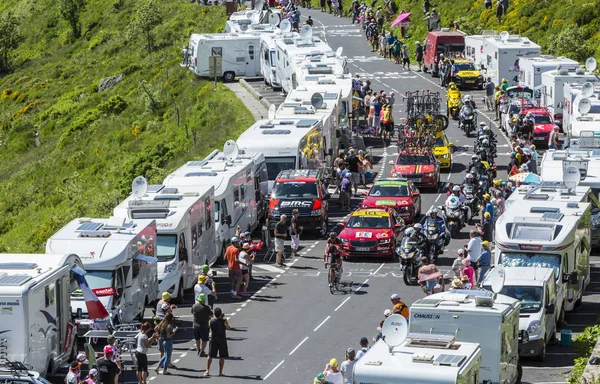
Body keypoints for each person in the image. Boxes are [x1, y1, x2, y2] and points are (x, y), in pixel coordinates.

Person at [205, 307, 230, 377]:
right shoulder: (223, 321)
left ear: (214, 314)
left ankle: (207, 371)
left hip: (213, 339)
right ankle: (220, 372)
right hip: (222, 340)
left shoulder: (211, 321)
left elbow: (209, 325)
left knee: (210, 355)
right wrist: (225, 320)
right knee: (222, 356)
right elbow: (228, 327)